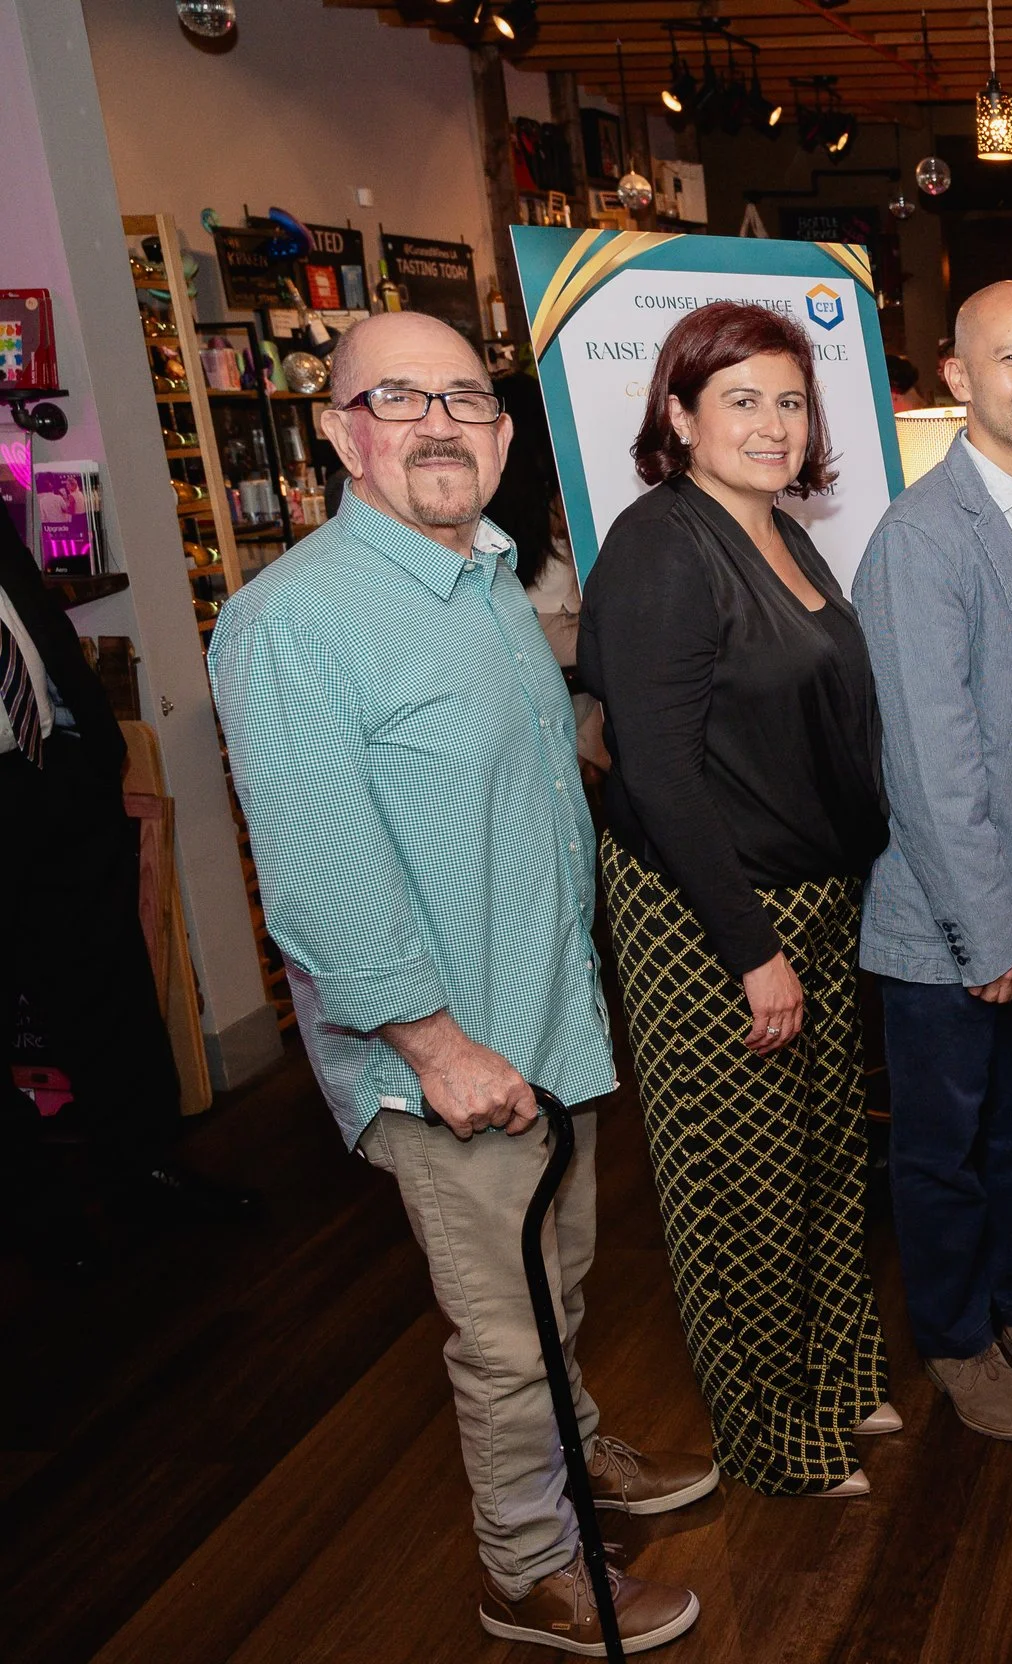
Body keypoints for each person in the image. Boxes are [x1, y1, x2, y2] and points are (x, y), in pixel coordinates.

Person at [208, 312, 711, 1656]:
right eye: (398, 396)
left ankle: (577, 1451)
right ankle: (529, 1569)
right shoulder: (292, 622)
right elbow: (318, 879)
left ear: (500, 433)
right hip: (454, 1055)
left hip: (547, 1016)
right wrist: (436, 1047)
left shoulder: (488, 574)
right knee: (502, 1336)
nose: (438, 423)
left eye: (466, 399)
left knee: (559, 1283)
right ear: (337, 429)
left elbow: (544, 766)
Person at [579, 301, 897, 1498]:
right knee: (742, 1191)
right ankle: (772, 1437)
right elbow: (656, 773)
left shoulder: (779, 531)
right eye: (741, 399)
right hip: (714, 918)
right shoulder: (664, 543)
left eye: (789, 399)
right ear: (678, 414)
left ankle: (831, 1378)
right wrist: (754, 947)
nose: (772, 424)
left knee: (820, 1166)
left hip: (803, 899)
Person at [853, 281, 1012, 1441]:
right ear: (957, 377)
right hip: (954, 903)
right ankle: (956, 1333)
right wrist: (984, 926)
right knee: (945, 1139)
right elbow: (928, 758)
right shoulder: (921, 536)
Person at [0, 513, 254, 1270]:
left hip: (51, 782)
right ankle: (38, 1222)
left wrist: (93, 753)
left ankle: (143, 1173)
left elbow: (35, 622)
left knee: (110, 996)